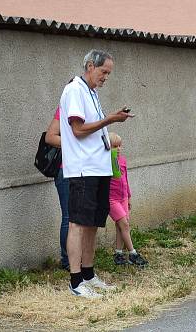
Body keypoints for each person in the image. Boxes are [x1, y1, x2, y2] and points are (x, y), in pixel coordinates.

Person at [60, 49, 133, 298]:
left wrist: (109, 122)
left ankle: (89, 274)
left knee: (92, 224)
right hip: (82, 168)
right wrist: (110, 119)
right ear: (90, 66)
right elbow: (78, 129)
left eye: (108, 74)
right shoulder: (74, 90)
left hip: (99, 167)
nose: (105, 78)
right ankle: (75, 280)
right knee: (78, 223)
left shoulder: (91, 92)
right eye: (104, 72)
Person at [108, 133, 148, 267]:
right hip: (111, 199)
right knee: (124, 224)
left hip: (123, 197)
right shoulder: (106, 162)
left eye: (120, 146)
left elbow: (125, 180)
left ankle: (118, 253)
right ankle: (133, 253)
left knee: (121, 226)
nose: (118, 148)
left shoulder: (123, 160)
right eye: (114, 146)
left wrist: (129, 196)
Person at [45, 103, 69, 271]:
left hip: (82, 172)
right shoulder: (64, 109)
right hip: (65, 172)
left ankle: (78, 257)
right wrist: (74, 142)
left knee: (80, 218)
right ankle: (67, 260)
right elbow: (50, 137)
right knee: (69, 217)